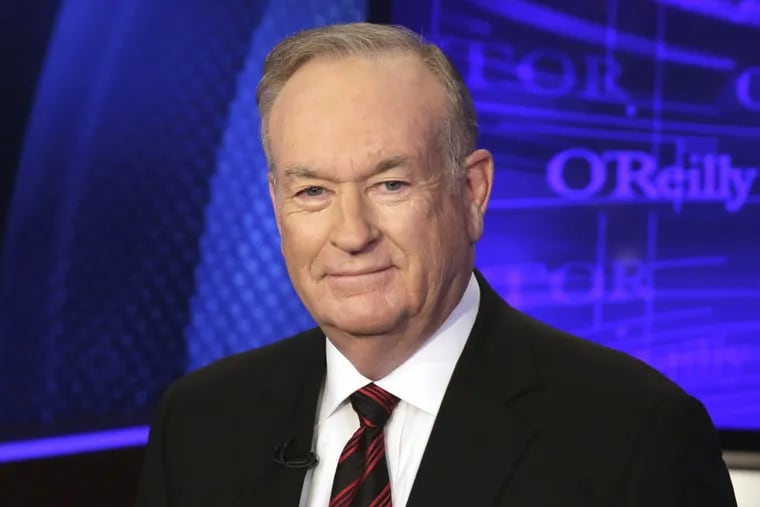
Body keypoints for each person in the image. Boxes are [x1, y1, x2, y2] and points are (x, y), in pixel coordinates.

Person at [135, 22, 737, 507]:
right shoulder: (198, 423)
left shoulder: (635, 436)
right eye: (313, 191)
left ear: (472, 192)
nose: (352, 233)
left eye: (390, 185)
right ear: (276, 204)